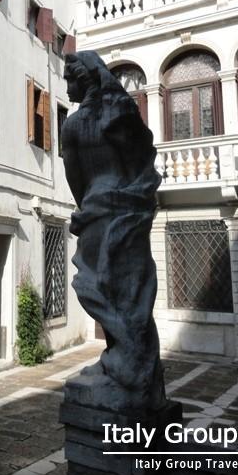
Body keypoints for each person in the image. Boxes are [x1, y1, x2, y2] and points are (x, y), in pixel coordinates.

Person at [61, 51, 166, 411]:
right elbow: (139, 161)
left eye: (69, 79)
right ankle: (129, 361)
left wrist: (92, 203)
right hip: (127, 207)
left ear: (84, 80)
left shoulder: (73, 126)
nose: (66, 86)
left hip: (97, 211)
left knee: (97, 286)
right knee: (129, 289)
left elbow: (75, 179)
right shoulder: (120, 113)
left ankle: (129, 365)